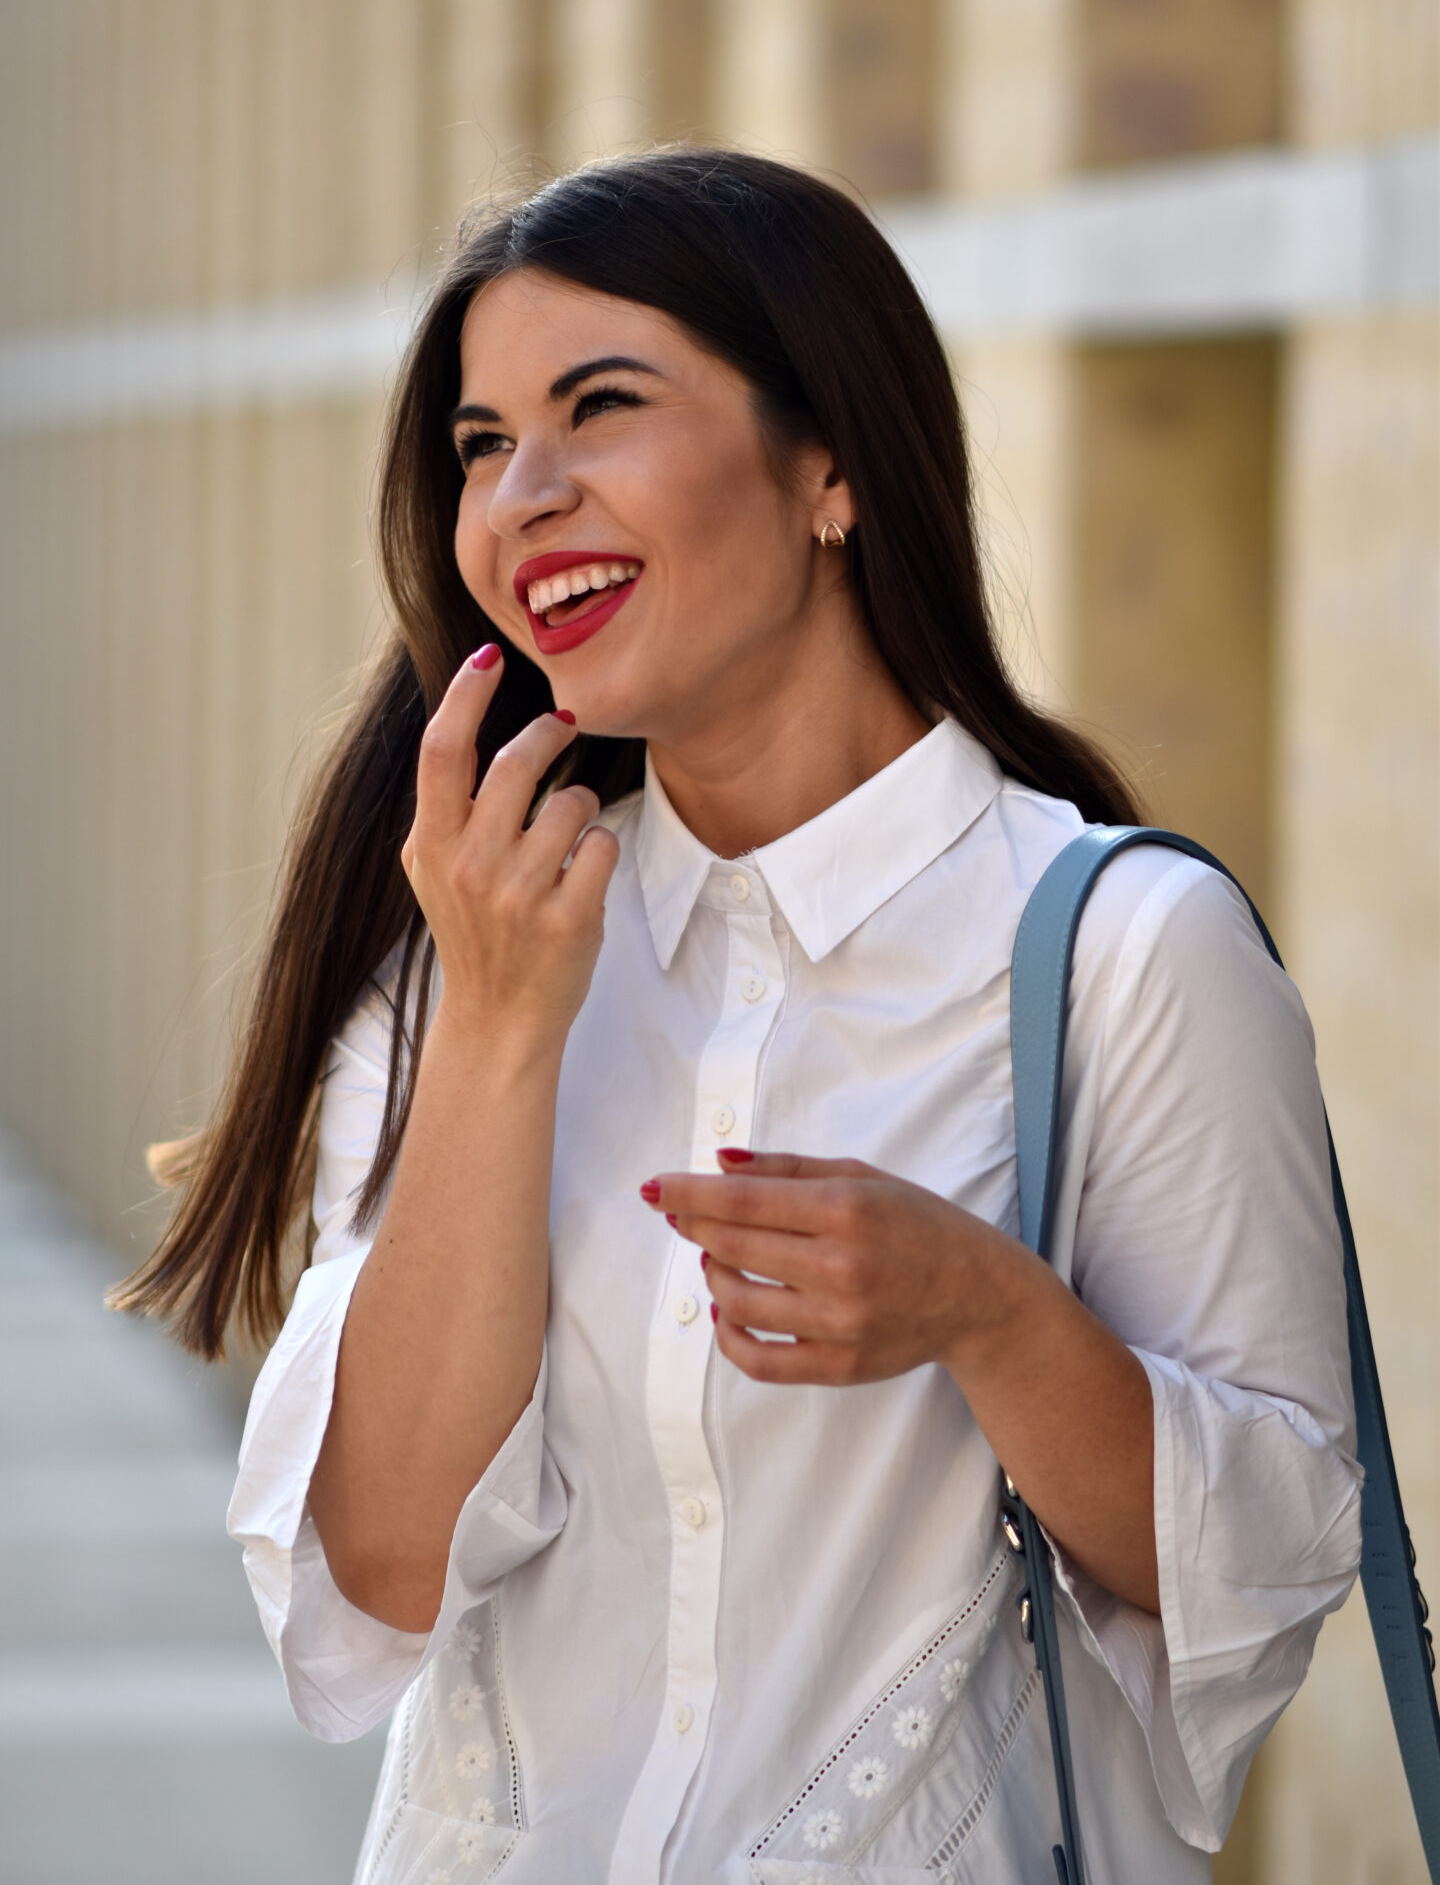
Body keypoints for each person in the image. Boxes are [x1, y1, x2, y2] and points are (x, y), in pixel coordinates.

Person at [118, 148, 1362, 1883]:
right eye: (480, 446)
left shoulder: (1126, 952)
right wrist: (497, 1031)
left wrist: (987, 1314)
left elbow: (1280, 1552)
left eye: (597, 409)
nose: (518, 496)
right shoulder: (471, 946)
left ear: (829, 463)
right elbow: (383, 1567)